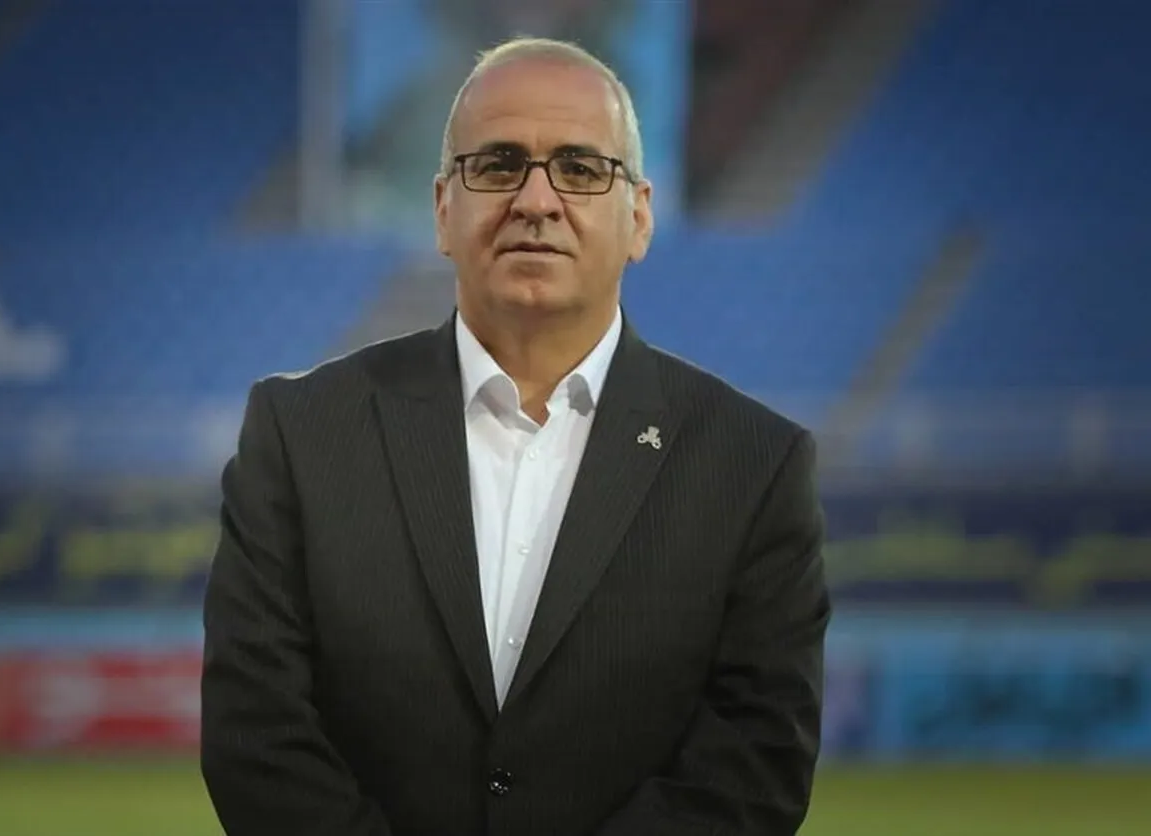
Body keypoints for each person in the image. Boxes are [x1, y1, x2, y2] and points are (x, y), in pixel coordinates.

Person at [201, 37, 830, 836]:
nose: (536, 199)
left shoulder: (753, 465)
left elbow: (755, 764)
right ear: (442, 209)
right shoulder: (300, 436)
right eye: (498, 166)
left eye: (580, 168)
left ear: (639, 216)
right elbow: (256, 739)